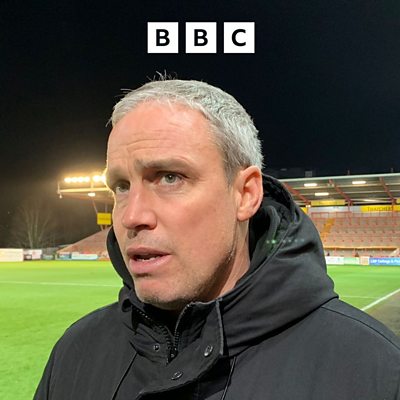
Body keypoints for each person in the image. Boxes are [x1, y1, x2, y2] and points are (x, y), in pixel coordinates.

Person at [34, 79, 400, 400]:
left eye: (170, 177)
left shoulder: (374, 371)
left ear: (245, 194)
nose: (132, 216)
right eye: (121, 186)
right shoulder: (75, 352)